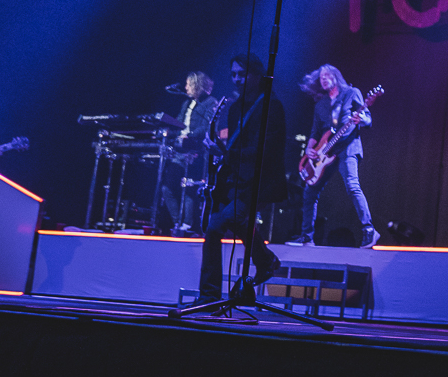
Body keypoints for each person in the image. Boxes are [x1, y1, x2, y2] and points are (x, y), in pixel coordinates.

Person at [196, 54, 286, 301]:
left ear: (257, 75)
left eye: (242, 74)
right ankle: (264, 261)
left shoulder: (271, 106)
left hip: (261, 182)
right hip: (236, 181)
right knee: (219, 227)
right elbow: (237, 147)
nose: (236, 79)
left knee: (218, 225)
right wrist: (219, 150)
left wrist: (226, 152)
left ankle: (209, 296)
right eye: (233, 74)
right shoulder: (236, 108)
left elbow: (266, 151)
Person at [287, 64, 377, 248]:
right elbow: (314, 132)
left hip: (348, 147)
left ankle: (369, 230)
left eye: (327, 75)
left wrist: (362, 119)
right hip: (326, 152)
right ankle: (306, 236)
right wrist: (309, 150)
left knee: (352, 186)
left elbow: (368, 118)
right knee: (310, 191)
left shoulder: (351, 93)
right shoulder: (320, 104)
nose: (324, 78)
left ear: (336, 76)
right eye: (321, 77)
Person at [160, 70, 217, 235]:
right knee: (167, 188)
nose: (185, 87)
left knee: (190, 188)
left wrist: (189, 135)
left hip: (196, 150)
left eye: (188, 84)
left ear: (197, 85)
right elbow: (179, 123)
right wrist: (170, 131)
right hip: (180, 150)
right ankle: (178, 221)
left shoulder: (210, 102)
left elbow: (207, 127)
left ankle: (187, 224)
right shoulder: (186, 104)